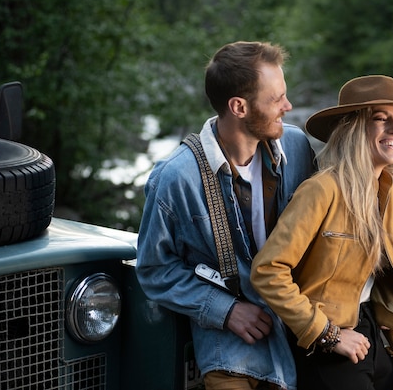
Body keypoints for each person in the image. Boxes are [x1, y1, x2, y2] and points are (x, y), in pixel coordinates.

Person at [135, 41, 316, 390]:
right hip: (231, 351)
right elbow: (154, 269)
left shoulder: (297, 147)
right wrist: (226, 310)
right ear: (239, 107)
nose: (288, 107)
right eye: (276, 99)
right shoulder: (176, 177)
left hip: (298, 332)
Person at [251, 75, 393, 390]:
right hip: (326, 346)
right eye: (381, 119)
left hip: (373, 335)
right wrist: (327, 334)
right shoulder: (321, 190)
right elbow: (268, 271)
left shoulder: (392, 196)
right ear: (354, 130)